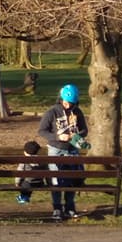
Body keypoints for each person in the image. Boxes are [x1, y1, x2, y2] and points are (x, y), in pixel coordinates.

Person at [37, 83, 88, 220]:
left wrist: (77, 136)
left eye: (71, 103)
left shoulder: (78, 112)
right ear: (61, 99)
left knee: (72, 179)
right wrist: (58, 137)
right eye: (66, 102)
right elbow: (42, 131)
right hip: (56, 149)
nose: (68, 105)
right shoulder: (52, 112)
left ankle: (70, 207)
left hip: (72, 149)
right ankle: (57, 208)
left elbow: (84, 130)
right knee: (56, 179)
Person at [14, 140, 47, 204]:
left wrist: (17, 182)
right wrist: (49, 183)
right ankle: (24, 197)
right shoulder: (42, 161)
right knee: (28, 182)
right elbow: (47, 173)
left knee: (24, 183)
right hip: (39, 183)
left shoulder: (24, 161)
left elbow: (19, 173)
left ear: (25, 152)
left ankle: (23, 198)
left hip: (28, 183)